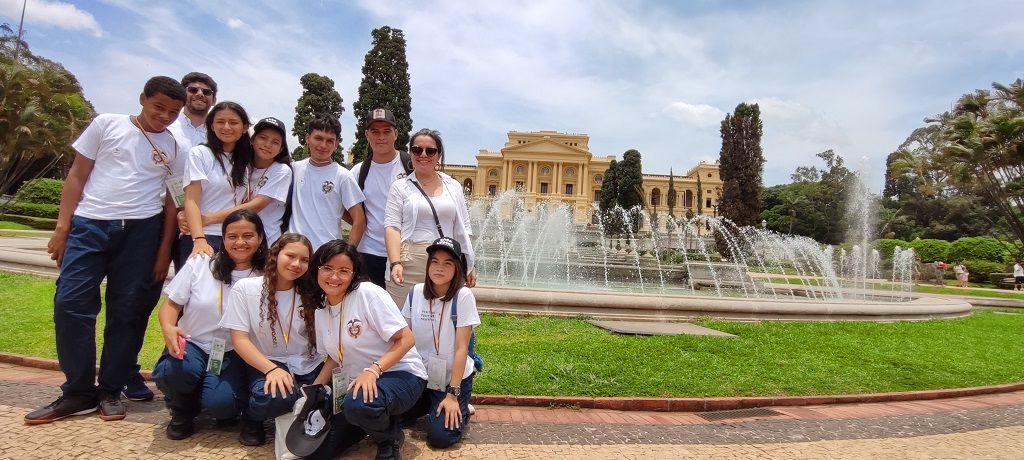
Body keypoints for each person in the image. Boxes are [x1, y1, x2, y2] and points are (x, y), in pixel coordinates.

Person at [26, 76, 189, 425]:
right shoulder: (106, 125)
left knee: (127, 311)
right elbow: (76, 176)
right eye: (159, 107)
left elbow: (173, 201)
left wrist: (163, 251)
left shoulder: (178, 146)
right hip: (91, 223)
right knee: (70, 304)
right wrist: (62, 227)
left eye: (173, 112)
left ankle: (111, 389)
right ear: (143, 98)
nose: (164, 117)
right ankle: (78, 391)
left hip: (142, 230)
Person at [301, 240, 427, 460]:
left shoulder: (368, 294)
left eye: (343, 271)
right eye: (327, 268)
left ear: (353, 274)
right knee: (317, 452)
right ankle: (369, 420)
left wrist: (373, 370)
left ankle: (389, 437)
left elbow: (406, 339)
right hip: (357, 386)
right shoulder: (321, 308)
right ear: (316, 269)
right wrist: (315, 388)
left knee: (359, 404)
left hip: (399, 374)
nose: (334, 277)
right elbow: (334, 356)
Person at [151, 209, 267, 440]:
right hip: (194, 342)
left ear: (260, 238)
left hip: (235, 350)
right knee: (172, 373)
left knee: (222, 404)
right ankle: (182, 412)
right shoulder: (201, 263)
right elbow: (171, 305)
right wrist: (168, 327)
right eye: (232, 236)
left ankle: (216, 401)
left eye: (248, 235)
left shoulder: (267, 274)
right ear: (223, 239)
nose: (240, 242)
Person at [219, 233, 322, 446]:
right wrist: (271, 369)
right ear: (275, 254)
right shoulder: (246, 289)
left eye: (304, 260)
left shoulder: (312, 292)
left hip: (307, 364)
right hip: (266, 361)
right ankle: (252, 417)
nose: (296, 264)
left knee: (328, 401)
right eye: (290, 256)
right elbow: (239, 338)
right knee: (276, 398)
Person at [401, 236, 479, 448]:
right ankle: (427, 402)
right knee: (395, 418)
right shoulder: (415, 293)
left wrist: (453, 395)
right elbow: (403, 339)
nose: (439, 268)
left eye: (447, 263)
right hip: (421, 375)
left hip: (451, 379)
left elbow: (462, 347)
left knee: (442, 438)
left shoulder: (462, 296)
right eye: (434, 261)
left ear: (457, 269)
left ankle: (459, 406)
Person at [384, 129, 477, 308]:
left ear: (439, 155)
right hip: (409, 261)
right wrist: (396, 262)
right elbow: (392, 227)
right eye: (417, 150)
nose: (423, 155)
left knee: (444, 321)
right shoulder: (400, 186)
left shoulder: (453, 186)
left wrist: (470, 262)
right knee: (402, 323)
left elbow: (464, 227)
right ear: (410, 153)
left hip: (447, 260)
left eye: (430, 151)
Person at [180, 101, 257, 260]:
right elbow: (191, 200)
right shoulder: (200, 153)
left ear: (244, 128)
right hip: (203, 236)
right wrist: (199, 239)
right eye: (220, 122)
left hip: (234, 238)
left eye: (233, 122)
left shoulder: (246, 160)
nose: (226, 127)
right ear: (212, 126)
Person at [350, 108, 412, 288]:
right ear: (366, 135)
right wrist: (364, 222)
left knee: (403, 311)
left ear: (396, 134)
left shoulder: (410, 166)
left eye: (386, 131)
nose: (381, 137)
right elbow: (348, 210)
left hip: (405, 253)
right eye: (375, 132)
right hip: (370, 253)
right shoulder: (358, 172)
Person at [288, 113, 367, 249]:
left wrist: (348, 253)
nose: (323, 145)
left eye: (330, 141)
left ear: (336, 144)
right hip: (295, 251)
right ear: (307, 138)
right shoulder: (293, 170)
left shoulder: (343, 176)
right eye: (318, 138)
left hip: (326, 254)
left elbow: (359, 220)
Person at [243, 117, 293, 244]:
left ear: (281, 149)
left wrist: (206, 219)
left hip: (266, 242)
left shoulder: (282, 171)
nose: (267, 145)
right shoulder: (241, 166)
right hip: (238, 238)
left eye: (275, 142)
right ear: (253, 140)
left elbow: (255, 207)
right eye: (263, 138)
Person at [174, 72, 217, 147]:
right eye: (193, 90)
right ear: (182, 95)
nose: (200, 94)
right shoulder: (167, 126)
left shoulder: (219, 133)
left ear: (214, 100)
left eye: (206, 92)